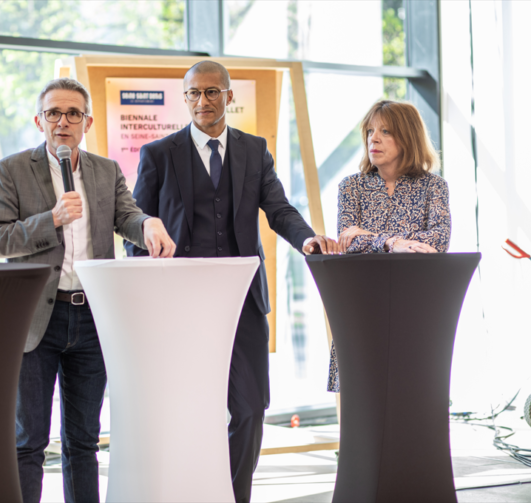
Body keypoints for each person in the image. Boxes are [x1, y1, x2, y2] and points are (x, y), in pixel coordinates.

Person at [125, 60, 339, 503]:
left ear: (228, 96)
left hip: (243, 301)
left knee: (249, 407)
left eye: (211, 92)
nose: (202, 101)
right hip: (180, 303)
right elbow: (136, 228)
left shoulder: (254, 150)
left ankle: (232, 495)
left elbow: (278, 209)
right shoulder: (160, 154)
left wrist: (307, 240)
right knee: (188, 411)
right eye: (193, 94)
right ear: (185, 99)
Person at [0, 77, 175, 503]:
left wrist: (147, 225)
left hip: (92, 317)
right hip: (36, 320)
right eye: (54, 113)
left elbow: (127, 216)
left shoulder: (105, 171)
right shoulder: (10, 170)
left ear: (87, 121)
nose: (63, 122)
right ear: (40, 120)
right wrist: (50, 218)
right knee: (28, 440)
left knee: (83, 441)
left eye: (73, 113)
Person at [328, 99, 451, 392]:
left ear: (407, 136)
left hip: (415, 305)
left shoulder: (434, 186)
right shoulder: (351, 187)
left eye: (386, 131)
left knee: (412, 395)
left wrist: (371, 238)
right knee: (363, 399)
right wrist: (392, 243)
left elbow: (439, 240)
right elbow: (349, 240)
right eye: (370, 131)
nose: (375, 138)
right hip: (363, 304)